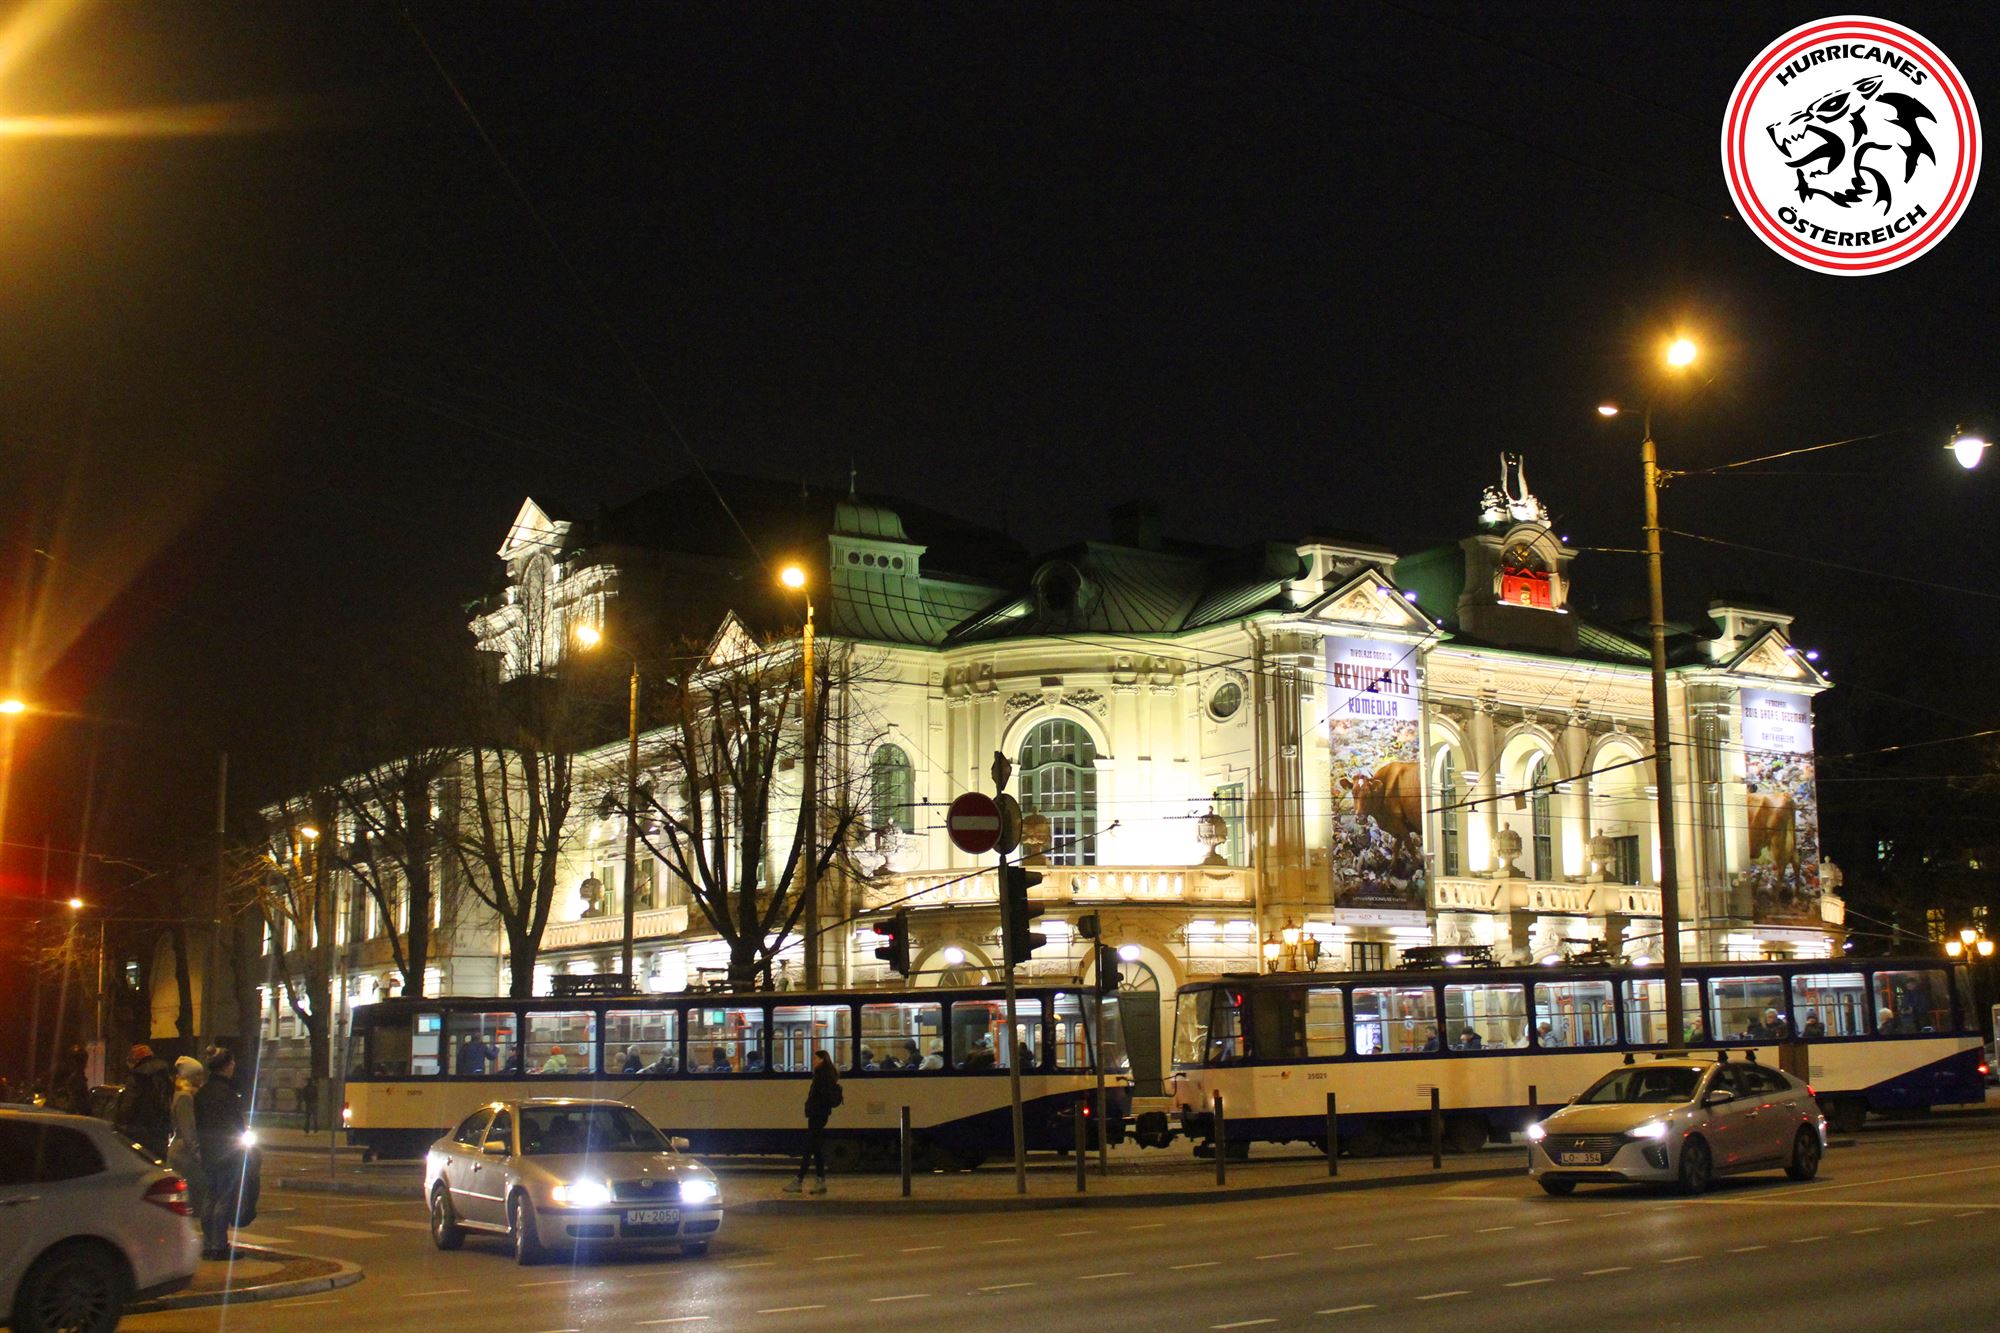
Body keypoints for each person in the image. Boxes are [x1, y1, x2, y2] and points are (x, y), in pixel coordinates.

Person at [193, 1049, 247, 1260]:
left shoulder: (203, 1092)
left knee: (210, 1196)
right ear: (226, 1066)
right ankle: (219, 1245)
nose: (234, 1066)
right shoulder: (228, 1093)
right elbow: (236, 1124)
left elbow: (199, 1123)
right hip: (227, 1151)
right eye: (232, 1063)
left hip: (208, 1151)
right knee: (224, 1198)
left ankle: (208, 1243)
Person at [783, 1049, 842, 1195]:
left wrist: (811, 1108)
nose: (813, 1061)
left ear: (822, 1060)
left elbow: (820, 1096)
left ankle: (799, 1181)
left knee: (810, 1147)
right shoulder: (827, 1074)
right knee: (815, 1148)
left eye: (815, 1058)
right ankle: (819, 1181)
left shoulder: (822, 1075)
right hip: (819, 1115)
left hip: (817, 1115)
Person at [168, 1056, 206, 1237]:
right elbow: (188, 1128)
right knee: (194, 1191)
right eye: (198, 1074)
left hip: (183, 1149)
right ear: (190, 1075)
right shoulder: (185, 1097)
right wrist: (197, 1152)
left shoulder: (185, 1093)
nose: (201, 1078)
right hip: (184, 1153)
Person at [115, 1044, 175, 1159]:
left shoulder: (137, 1077)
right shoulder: (164, 1075)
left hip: (139, 1131)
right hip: (161, 1131)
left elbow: (128, 1107)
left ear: (135, 1060)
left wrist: (121, 1123)